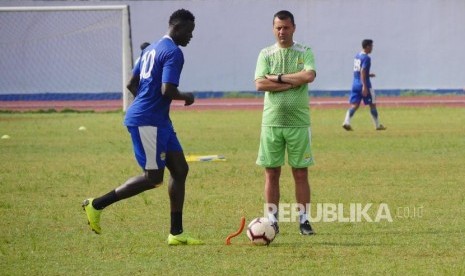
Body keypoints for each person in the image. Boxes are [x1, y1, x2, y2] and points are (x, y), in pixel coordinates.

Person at [82, 9, 203, 245]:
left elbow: (131, 83)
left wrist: (148, 104)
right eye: (189, 32)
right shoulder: (173, 53)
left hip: (159, 121)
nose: (191, 37)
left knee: (180, 170)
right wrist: (187, 96)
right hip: (148, 122)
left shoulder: (151, 49)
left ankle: (176, 234)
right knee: (153, 178)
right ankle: (96, 205)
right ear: (177, 28)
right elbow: (167, 90)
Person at [254, 10, 316, 235]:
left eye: (286, 27)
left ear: (294, 28)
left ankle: (304, 220)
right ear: (273, 29)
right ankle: (272, 220)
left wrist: (278, 78)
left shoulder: (304, 51)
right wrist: (292, 82)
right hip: (272, 123)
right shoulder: (266, 53)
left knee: (300, 173)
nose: (282, 31)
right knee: (272, 173)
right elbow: (260, 84)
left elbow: (308, 76)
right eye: (278, 27)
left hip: (299, 123)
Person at [342, 39, 386, 131]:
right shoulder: (366, 58)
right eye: (371, 46)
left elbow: (358, 71)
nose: (372, 48)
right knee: (373, 104)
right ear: (367, 47)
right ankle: (378, 125)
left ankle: (346, 122)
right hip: (364, 84)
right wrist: (365, 86)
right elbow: (362, 71)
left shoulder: (357, 56)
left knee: (355, 105)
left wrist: (369, 74)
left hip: (355, 83)